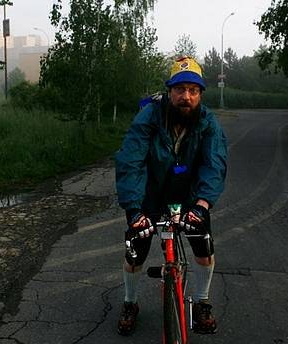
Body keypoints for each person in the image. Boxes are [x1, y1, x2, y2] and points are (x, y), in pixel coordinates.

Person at [115, 56, 228, 336]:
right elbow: (131, 160)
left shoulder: (208, 122)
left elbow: (213, 163)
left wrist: (202, 206)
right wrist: (133, 209)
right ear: (169, 92)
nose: (185, 97)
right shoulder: (150, 116)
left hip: (190, 197)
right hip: (151, 195)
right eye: (179, 89)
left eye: (192, 90)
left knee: (204, 247)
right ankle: (130, 303)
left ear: (200, 94)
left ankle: (201, 302)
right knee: (134, 251)